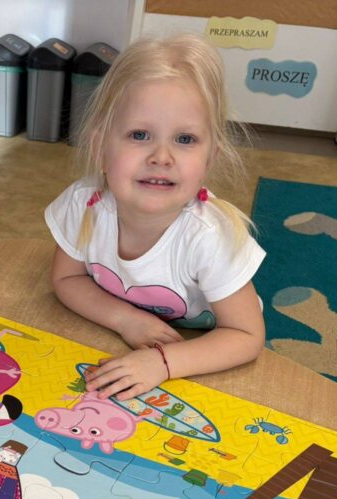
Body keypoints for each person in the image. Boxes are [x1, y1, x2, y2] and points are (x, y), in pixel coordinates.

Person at [46, 35, 265, 400]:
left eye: (185, 139)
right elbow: (66, 278)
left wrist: (162, 363)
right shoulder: (84, 204)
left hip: (202, 342)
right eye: (140, 134)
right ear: (100, 148)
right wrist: (126, 320)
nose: (161, 156)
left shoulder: (210, 236)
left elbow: (246, 336)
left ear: (210, 159)